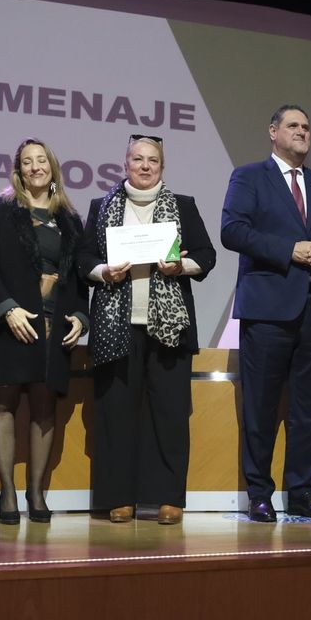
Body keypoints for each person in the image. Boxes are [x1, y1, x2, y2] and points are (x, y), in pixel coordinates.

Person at [220, 105, 311, 523]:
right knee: (260, 408)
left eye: (307, 127)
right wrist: (288, 250)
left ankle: (302, 493)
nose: (302, 132)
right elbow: (232, 231)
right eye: (294, 126)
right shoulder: (249, 176)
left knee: (308, 409)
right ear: (273, 132)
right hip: (267, 310)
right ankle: (259, 494)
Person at [78, 135, 217, 524]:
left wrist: (180, 267)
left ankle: (168, 497)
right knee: (116, 413)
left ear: (161, 166)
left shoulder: (183, 207)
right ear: (124, 163)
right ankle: (119, 497)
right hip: (115, 325)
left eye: (152, 160)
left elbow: (207, 255)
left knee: (170, 415)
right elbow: (84, 257)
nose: (144, 166)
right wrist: (103, 271)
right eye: (137, 158)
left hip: (169, 327)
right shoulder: (101, 206)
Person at [0, 139, 88, 524]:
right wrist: (6, 309)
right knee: (3, 403)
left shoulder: (70, 218)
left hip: (54, 329)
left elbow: (79, 277)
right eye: (27, 162)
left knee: (44, 408)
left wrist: (81, 318)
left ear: (52, 167)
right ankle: (7, 492)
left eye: (41, 160)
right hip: (9, 324)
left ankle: (36, 492)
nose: (35, 167)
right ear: (17, 170)